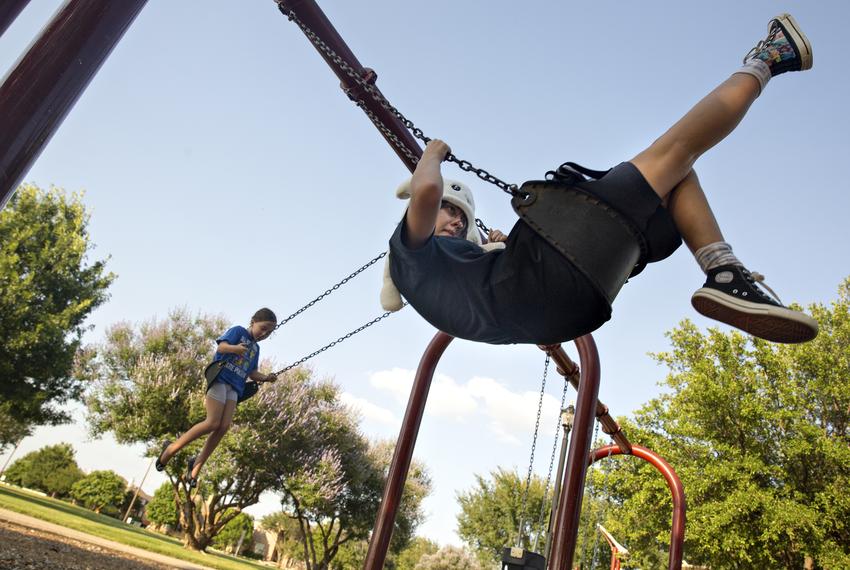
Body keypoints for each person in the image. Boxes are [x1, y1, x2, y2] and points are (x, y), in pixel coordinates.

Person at [382, 14, 819, 346]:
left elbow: (486, 293)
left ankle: (723, 269)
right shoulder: (410, 253)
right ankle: (769, 57)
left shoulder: (449, 284)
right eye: (450, 214)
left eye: (461, 217)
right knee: (676, 152)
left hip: (576, 305)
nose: (457, 222)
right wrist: (433, 154)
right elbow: (425, 190)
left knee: (675, 178)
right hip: (555, 265)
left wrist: (496, 248)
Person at [155, 308, 278, 486]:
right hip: (220, 378)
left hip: (235, 387)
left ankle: (195, 467)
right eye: (263, 328)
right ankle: (170, 449)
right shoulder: (238, 331)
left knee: (223, 427)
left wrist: (266, 377)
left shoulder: (256, 348)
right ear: (253, 322)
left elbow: (252, 372)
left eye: (269, 332)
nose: (264, 334)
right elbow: (221, 347)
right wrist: (235, 349)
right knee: (212, 422)